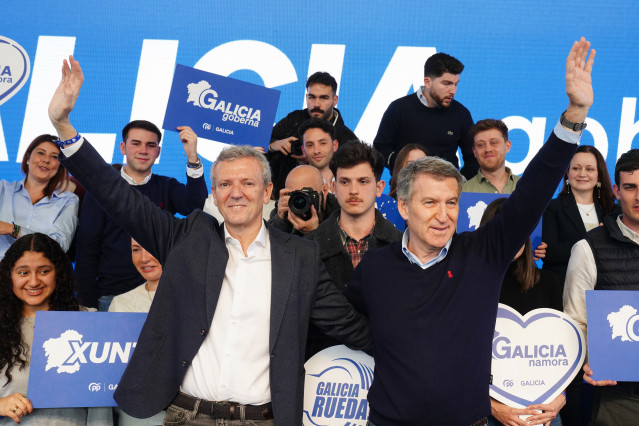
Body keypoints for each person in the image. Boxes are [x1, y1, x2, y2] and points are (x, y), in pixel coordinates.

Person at [47, 55, 373, 425]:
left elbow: (350, 325)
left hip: (265, 418)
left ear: (268, 191)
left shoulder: (300, 257)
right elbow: (117, 196)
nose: (236, 193)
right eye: (225, 184)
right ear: (214, 195)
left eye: (247, 183)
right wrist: (63, 126)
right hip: (189, 414)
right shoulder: (188, 238)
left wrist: (420, 348)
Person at [344, 38, 595, 425]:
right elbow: (347, 322)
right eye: (430, 203)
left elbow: (533, 192)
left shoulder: (483, 254)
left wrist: (574, 116)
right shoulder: (375, 269)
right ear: (404, 207)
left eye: (451, 203)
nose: (444, 215)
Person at [75, 121, 208, 311]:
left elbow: (197, 206)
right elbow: (87, 249)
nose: (143, 150)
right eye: (136, 143)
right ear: (123, 147)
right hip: (113, 297)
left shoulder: (167, 186)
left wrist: (193, 157)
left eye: (150, 145)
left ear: (158, 152)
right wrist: (86, 305)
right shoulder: (101, 190)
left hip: (160, 294)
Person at [0, 233, 112, 425]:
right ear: (9, 275)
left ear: (58, 273)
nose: (34, 281)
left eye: (44, 271)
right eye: (23, 272)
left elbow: (99, 405)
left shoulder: (87, 320)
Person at [305, 141, 402, 358]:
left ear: (380, 188)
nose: (354, 190)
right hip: (320, 376)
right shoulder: (307, 249)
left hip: (386, 372)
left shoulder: (403, 247)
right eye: (345, 181)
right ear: (333, 187)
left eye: (363, 181)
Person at [563, 148, 639, 424]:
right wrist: (587, 361)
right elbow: (576, 322)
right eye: (631, 187)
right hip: (619, 399)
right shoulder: (588, 248)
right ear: (617, 191)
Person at [480, 198, 564, 426]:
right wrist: (492, 407)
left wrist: (560, 397)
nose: (511, 234)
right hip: (487, 411)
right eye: (502, 227)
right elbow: (456, 358)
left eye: (518, 226)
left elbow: (562, 350)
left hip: (541, 409)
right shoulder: (470, 285)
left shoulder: (548, 283)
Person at [373, 52, 478, 180]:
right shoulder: (399, 108)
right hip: (405, 190)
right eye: (447, 84)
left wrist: (460, 182)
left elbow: (474, 158)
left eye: (456, 84)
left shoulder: (461, 114)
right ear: (427, 82)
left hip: (446, 193)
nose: (453, 91)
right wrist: (402, 163)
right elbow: (380, 148)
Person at [266, 72, 357, 195]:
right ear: (306, 97)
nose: (316, 104)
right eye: (312, 97)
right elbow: (256, 147)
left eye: (324, 98)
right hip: (279, 194)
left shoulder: (348, 140)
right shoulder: (293, 120)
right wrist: (273, 145)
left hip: (327, 202)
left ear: (335, 100)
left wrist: (315, 159)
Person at [108, 238, 165, 425]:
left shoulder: (196, 297)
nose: (144, 258)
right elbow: (112, 369)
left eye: (152, 248)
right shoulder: (121, 303)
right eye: (136, 250)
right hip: (134, 413)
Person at [542, 145, 615, 285]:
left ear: (599, 174)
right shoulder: (552, 208)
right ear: (567, 173)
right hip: (565, 285)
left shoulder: (612, 209)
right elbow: (550, 253)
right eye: (576, 168)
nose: (582, 174)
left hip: (605, 287)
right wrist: (597, 239)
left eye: (589, 169)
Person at [0, 134, 79, 260]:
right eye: (41, 153)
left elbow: (60, 246)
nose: (46, 160)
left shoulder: (68, 200)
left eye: (54, 157)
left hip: (40, 275)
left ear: (59, 166)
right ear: (27, 158)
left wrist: (14, 229)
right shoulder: (2, 189)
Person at [267, 165, 338, 235]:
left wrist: (313, 232)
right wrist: (280, 221)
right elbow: (266, 243)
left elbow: (341, 245)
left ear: (324, 190)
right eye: (294, 194)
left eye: (307, 193)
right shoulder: (286, 210)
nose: (301, 200)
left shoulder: (339, 210)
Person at [463, 119, 519, 194]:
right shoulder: (463, 192)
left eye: (494, 143)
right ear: (474, 152)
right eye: (480, 145)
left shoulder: (526, 187)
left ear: (507, 146)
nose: (488, 149)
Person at [299, 117, 340, 186]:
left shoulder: (350, 180)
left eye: (323, 143)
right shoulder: (297, 183)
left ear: (335, 145)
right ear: (303, 150)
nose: (316, 151)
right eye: (310, 145)